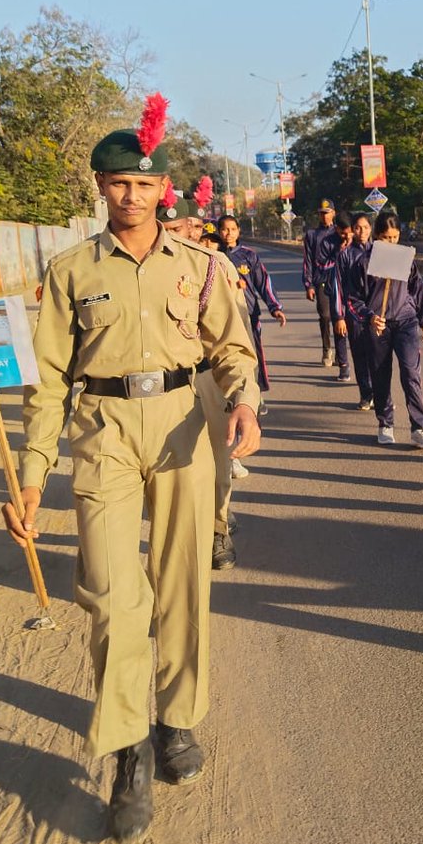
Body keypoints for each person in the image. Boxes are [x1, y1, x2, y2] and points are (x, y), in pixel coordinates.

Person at [4, 107, 260, 844]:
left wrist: (243, 402)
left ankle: (176, 721)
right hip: (104, 433)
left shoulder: (200, 266)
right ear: (100, 187)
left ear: (163, 190)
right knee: (114, 598)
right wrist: (31, 474)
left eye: (144, 185)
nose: (131, 196)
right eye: (118, 183)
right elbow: (49, 382)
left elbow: (231, 348)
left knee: (183, 583)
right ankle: (127, 752)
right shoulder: (71, 271)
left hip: (182, 426)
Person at [159, 199, 245, 571]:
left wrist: (244, 390)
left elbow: (237, 329)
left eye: (186, 228)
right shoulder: (148, 267)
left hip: (210, 376)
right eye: (170, 230)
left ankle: (217, 529)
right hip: (167, 384)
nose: (180, 236)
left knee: (218, 459)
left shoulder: (215, 264)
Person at [346, 210, 423, 449]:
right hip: (378, 326)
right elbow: (353, 300)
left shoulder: (405, 259)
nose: (392, 242)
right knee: (380, 374)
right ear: (377, 236)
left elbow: (417, 289)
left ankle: (419, 427)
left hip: (406, 322)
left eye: (395, 237)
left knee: (411, 373)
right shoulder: (362, 263)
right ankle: (385, 423)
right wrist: (369, 317)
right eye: (386, 238)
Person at [216, 214, 286, 396]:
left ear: (239, 231)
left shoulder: (249, 255)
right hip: (222, 315)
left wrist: (275, 307)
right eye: (224, 229)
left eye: (233, 229)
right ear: (219, 231)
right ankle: (229, 393)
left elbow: (263, 282)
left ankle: (257, 392)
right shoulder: (215, 255)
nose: (229, 233)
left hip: (248, 312)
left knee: (254, 352)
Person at [332, 211, 377, 404]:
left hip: (376, 313)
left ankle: (381, 395)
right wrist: (339, 316)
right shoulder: (345, 255)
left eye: (366, 227)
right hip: (354, 312)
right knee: (360, 354)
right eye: (358, 228)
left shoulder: (378, 252)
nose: (362, 231)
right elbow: (338, 287)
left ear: (371, 229)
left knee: (378, 355)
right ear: (352, 230)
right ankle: (366, 394)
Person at [302, 197, 337, 365]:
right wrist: (308, 284)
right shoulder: (312, 235)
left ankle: (341, 352)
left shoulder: (339, 233)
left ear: (333, 213)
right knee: (325, 316)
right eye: (322, 213)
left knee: (340, 316)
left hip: (339, 280)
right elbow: (307, 260)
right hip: (321, 280)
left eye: (327, 213)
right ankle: (326, 349)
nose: (325, 216)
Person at [323, 210, 354, 382]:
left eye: (350, 232)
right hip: (336, 291)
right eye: (343, 233)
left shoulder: (361, 244)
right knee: (340, 328)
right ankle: (343, 365)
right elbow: (322, 265)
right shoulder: (328, 243)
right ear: (337, 229)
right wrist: (339, 253)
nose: (347, 236)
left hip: (357, 296)